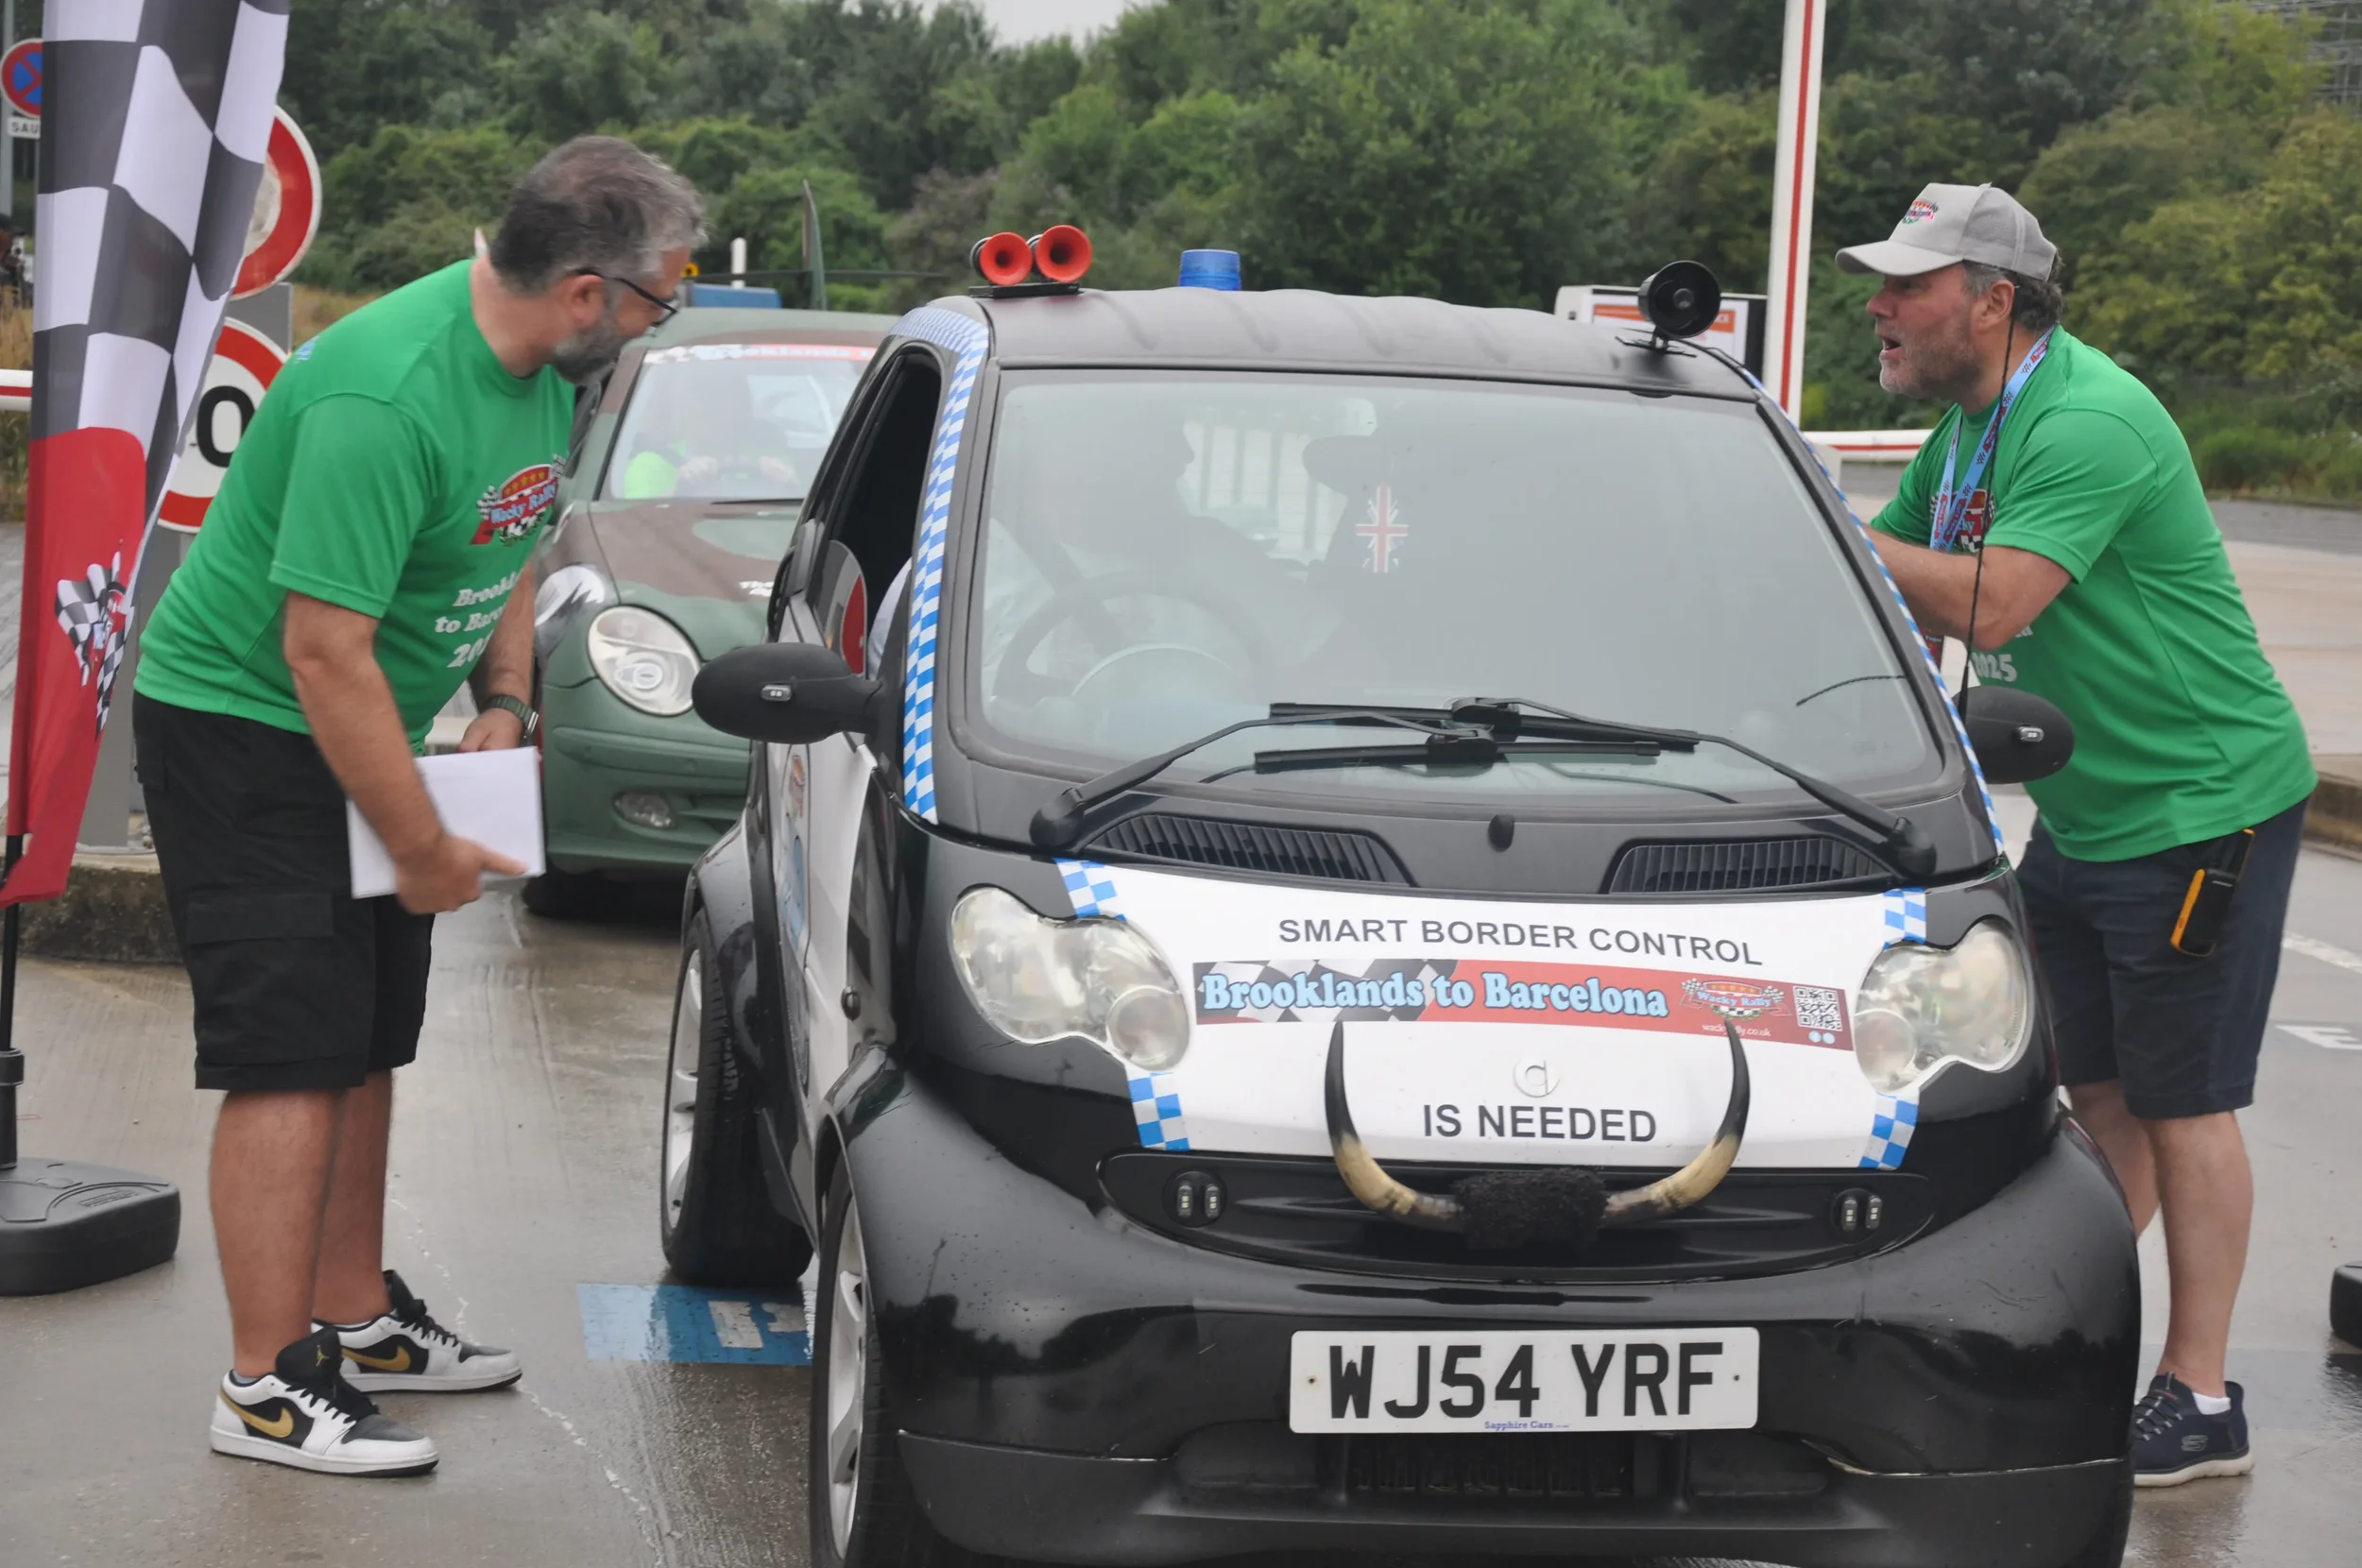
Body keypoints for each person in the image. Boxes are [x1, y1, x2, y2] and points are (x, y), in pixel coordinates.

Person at [131, 137, 702, 1476]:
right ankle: (266, 1386)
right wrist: (425, 840)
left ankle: (354, 1315)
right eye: (658, 301)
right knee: (289, 1052)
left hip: (373, 723)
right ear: (583, 290)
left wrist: (502, 696)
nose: (656, 324)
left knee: (367, 1033)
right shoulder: (386, 396)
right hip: (247, 732)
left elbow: (511, 531)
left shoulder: (538, 378)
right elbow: (318, 653)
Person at [1840, 182, 2314, 1488]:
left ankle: (2201, 1394)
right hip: (2094, 809)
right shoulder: (1972, 428)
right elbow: (1898, 576)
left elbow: (1991, 603)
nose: (1879, 303)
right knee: (2084, 1093)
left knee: (2185, 1103)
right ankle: (2064, 1342)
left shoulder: (2089, 418)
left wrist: (1823, 528)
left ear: (1992, 303)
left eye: (1910, 283)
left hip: (2201, 808)